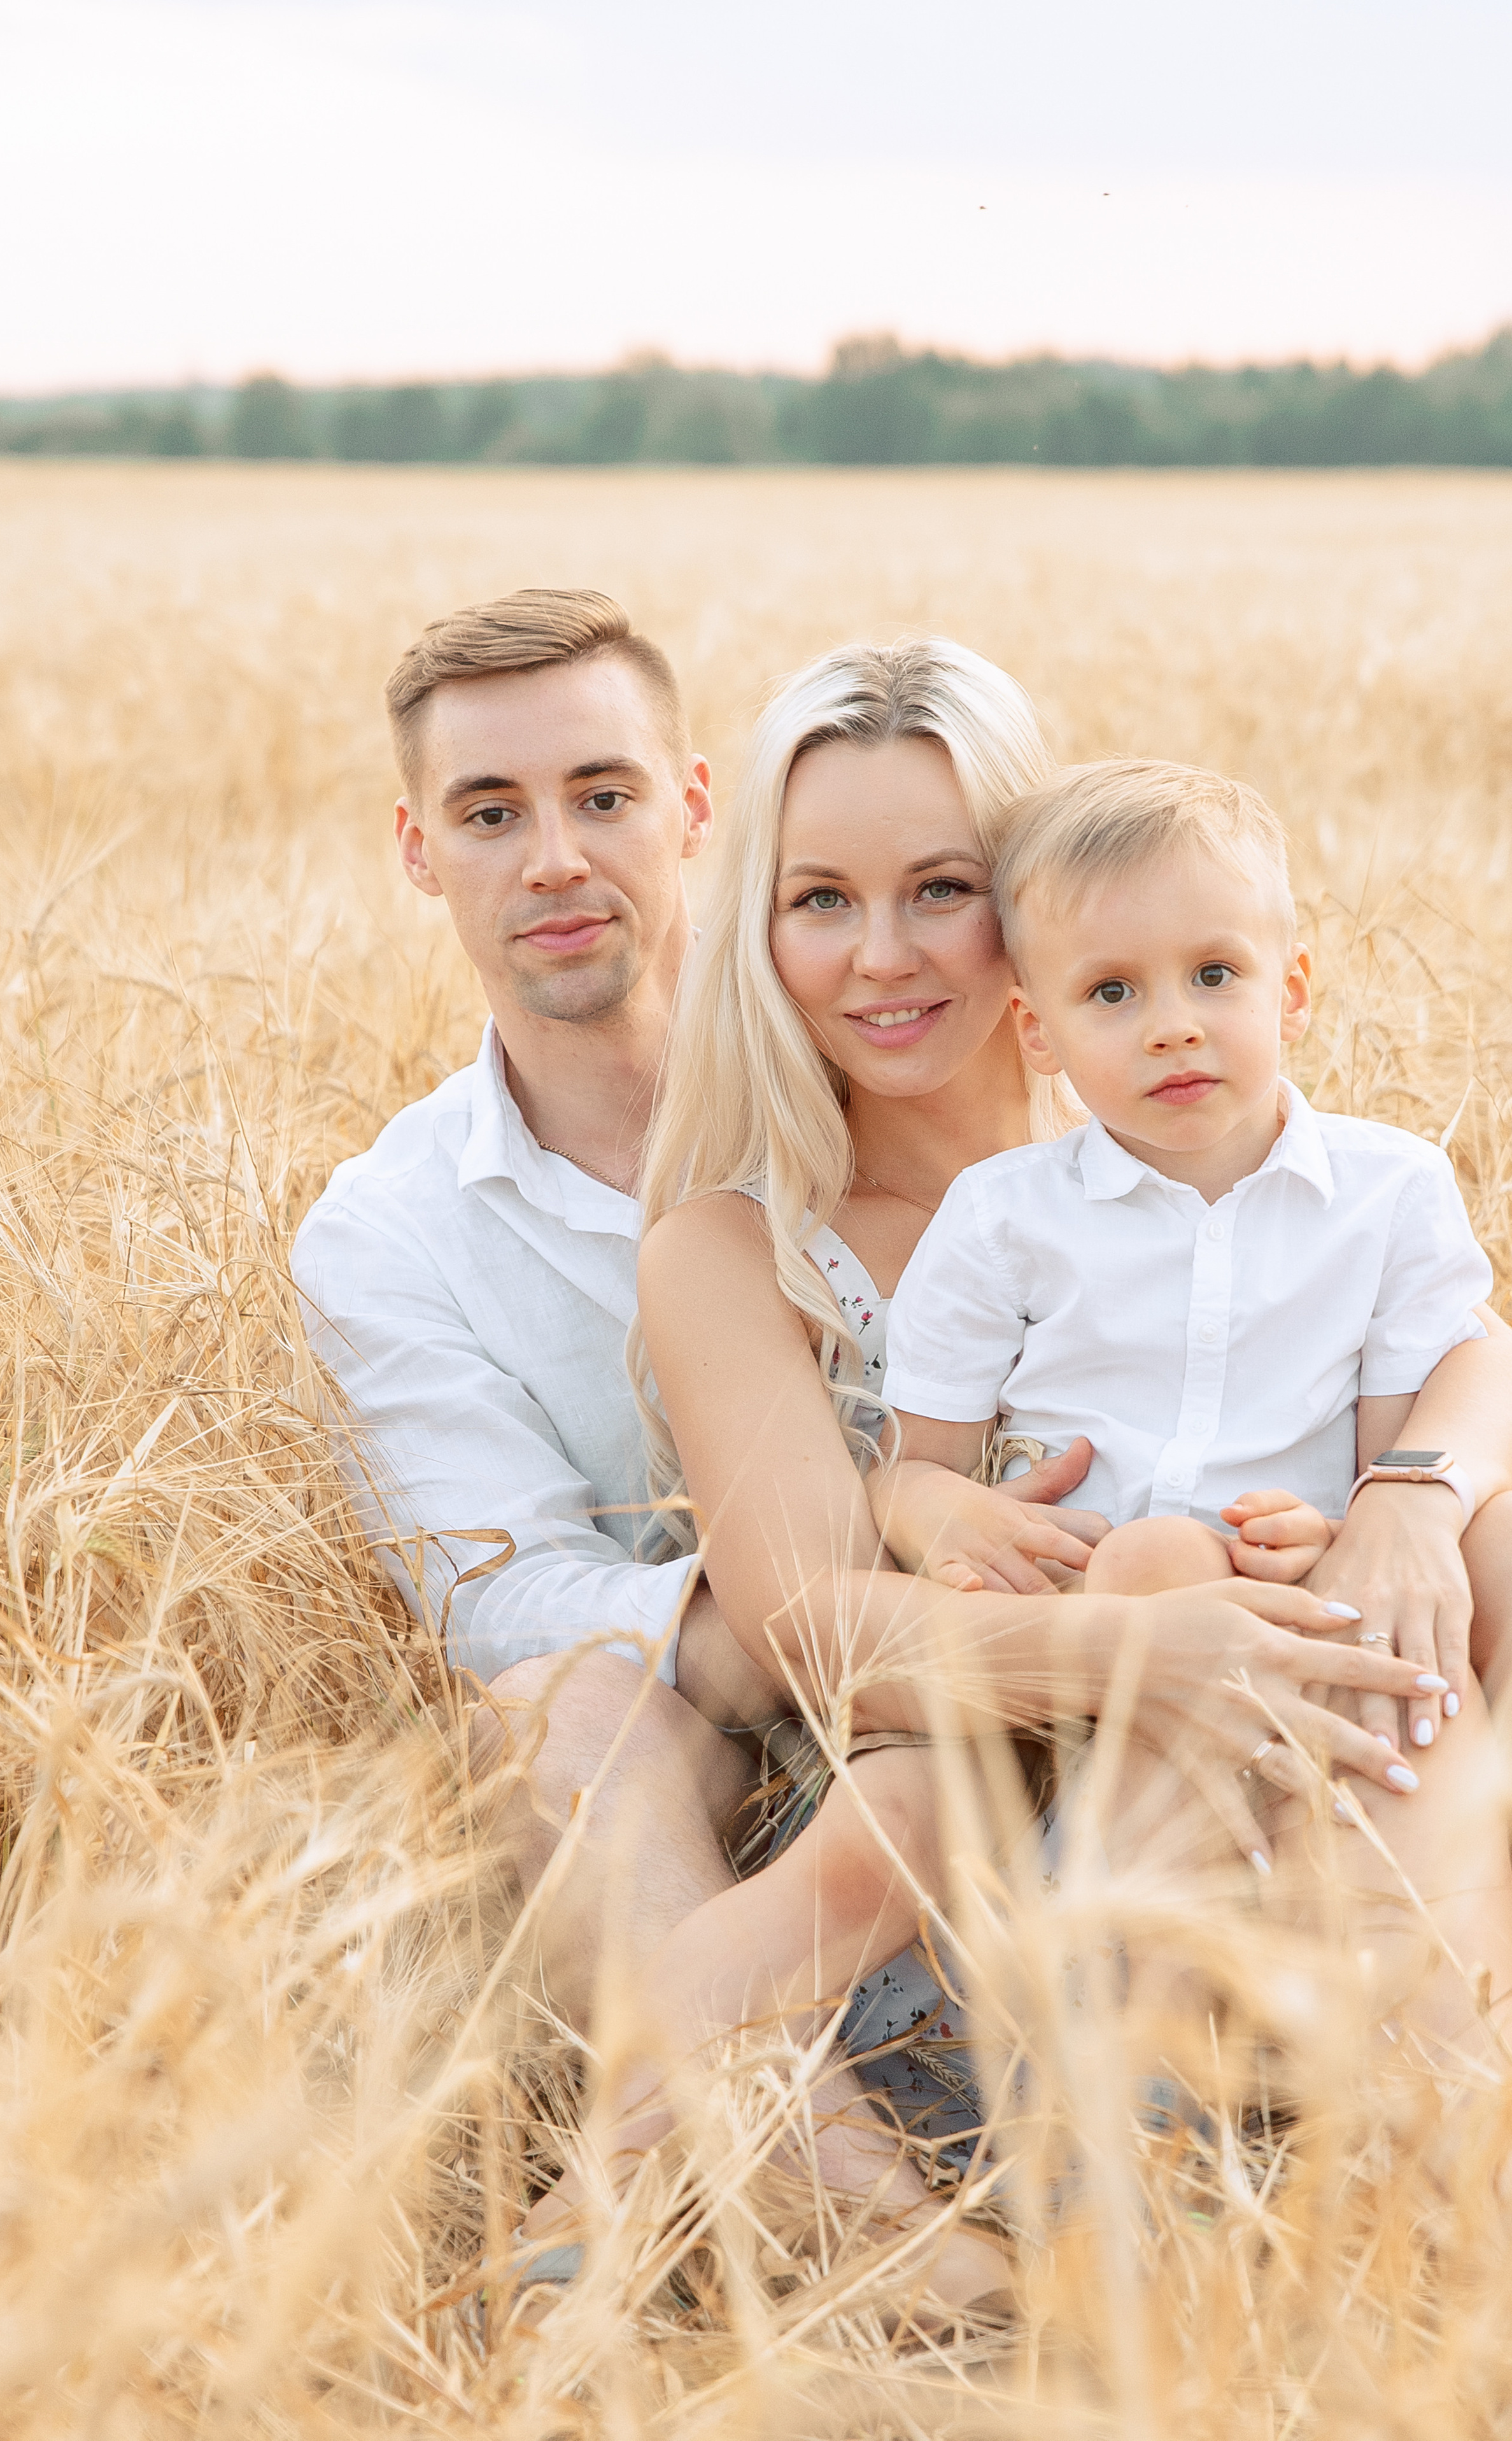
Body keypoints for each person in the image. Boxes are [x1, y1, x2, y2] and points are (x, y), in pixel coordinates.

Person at [519, 639, 1511, 2298]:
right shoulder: (737, 1246)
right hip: (964, 1803)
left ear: (1031, 904)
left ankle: (1409, 2080)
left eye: (943, 888)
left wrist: (1404, 1503)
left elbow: (1446, 1348)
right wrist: (1140, 1639)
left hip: (1313, 1753)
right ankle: (934, 2143)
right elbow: (819, 1633)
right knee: (1136, 1582)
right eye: (820, 897)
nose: (885, 955)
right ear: (758, 924)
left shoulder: (1239, 1142)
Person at [293, 588, 784, 2036]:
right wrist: (796, 1629)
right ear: (418, 852)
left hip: (1002, 1647)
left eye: (602, 796)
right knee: (546, 1722)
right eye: (491, 814)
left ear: (691, 807)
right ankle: (842, 2203)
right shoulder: (389, 1230)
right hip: (699, 1732)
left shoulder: (868, 1074)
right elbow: (500, 1596)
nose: (556, 860)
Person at [880, 757, 1498, 1653]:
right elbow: (915, 1469)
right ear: (1038, 1031)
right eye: (1113, 991)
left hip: (1317, 1587)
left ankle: (1453, 1787)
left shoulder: (1392, 1193)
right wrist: (931, 1506)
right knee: (1158, 1557)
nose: (1173, 1025)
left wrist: (1336, 1537)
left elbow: (1390, 1468)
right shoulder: (1001, 1219)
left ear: (1291, 991)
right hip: (1096, 1619)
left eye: (1214, 973)